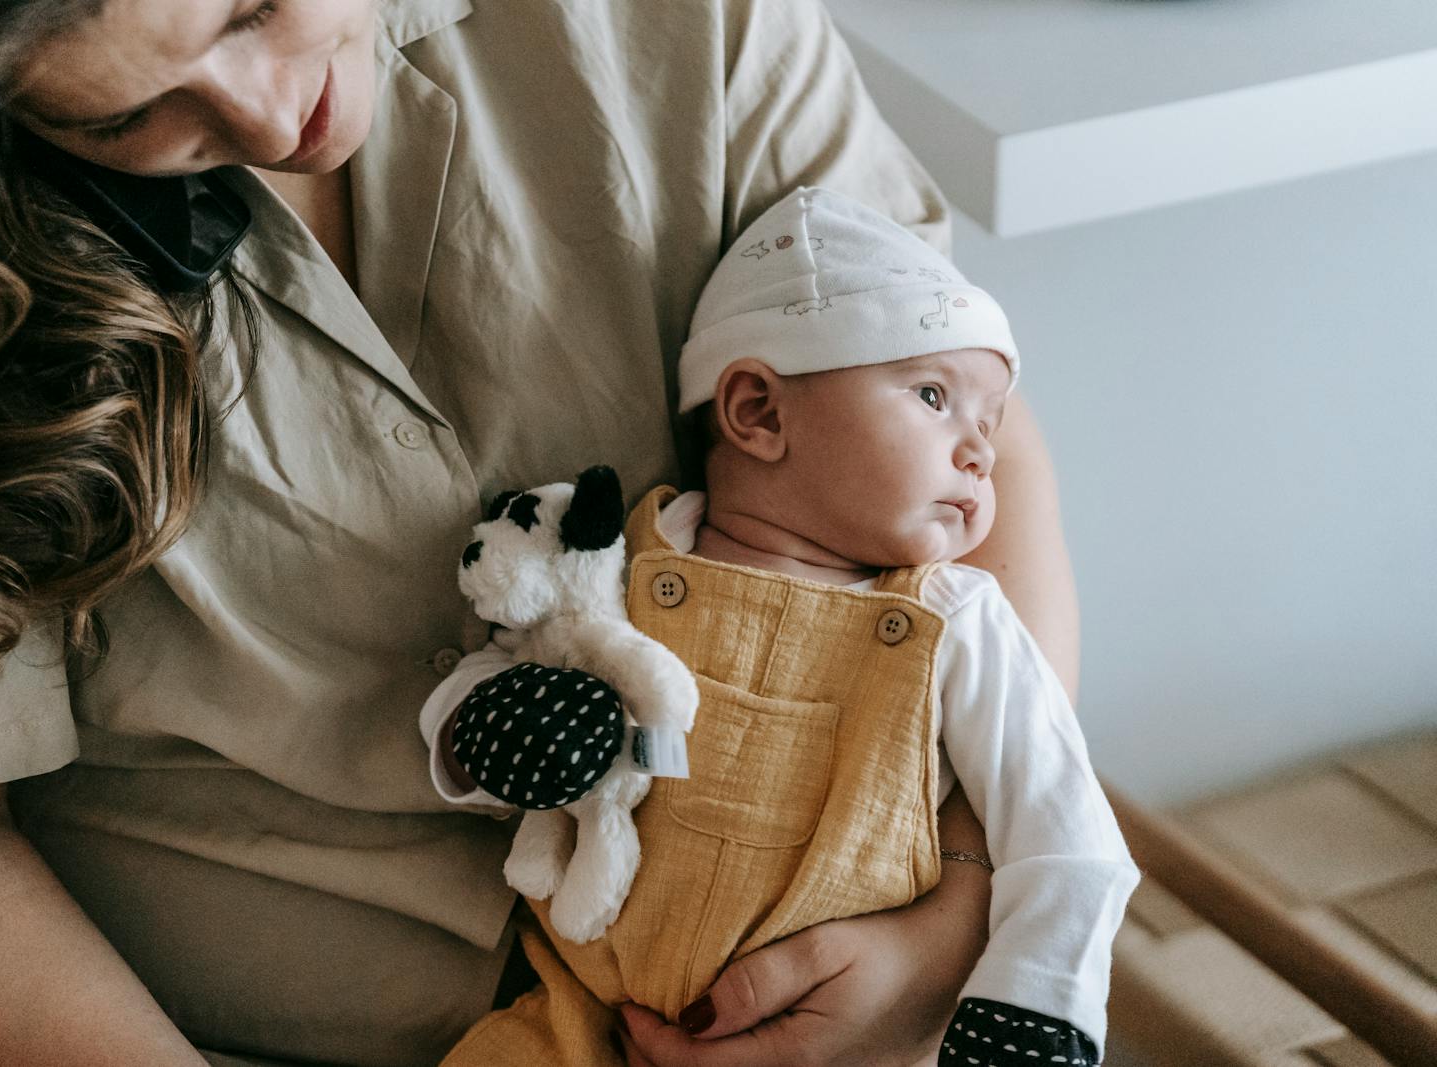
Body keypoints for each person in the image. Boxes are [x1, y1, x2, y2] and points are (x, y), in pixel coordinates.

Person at [0, 2, 1082, 1065]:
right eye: (121, 117)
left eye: (260, 8)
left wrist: (963, 904)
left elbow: (971, 428)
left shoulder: (685, 26)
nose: (274, 122)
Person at [422, 188, 1139, 1067]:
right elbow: (497, 667)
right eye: (931, 395)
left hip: (852, 1040)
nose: (981, 452)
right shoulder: (619, 559)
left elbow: (1064, 826)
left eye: (988, 424)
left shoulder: (954, 621)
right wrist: (484, 733)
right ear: (757, 410)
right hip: (583, 1015)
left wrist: (1035, 1007)